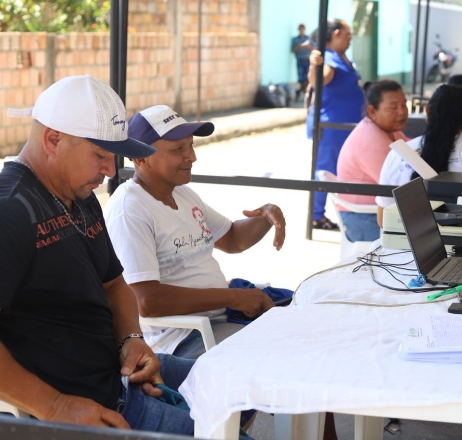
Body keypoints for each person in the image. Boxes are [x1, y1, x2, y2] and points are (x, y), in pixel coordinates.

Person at [0, 74, 204, 435]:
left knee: (243, 390)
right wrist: (54, 406)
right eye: (100, 155)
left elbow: (114, 284)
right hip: (96, 405)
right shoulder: (10, 211)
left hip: (121, 372)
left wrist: (131, 339)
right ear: (52, 140)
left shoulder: (78, 193)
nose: (110, 170)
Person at [102, 105, 286, 361]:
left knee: (301, 329)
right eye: (178, 149)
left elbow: (232, 239)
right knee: (280, 351)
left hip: (221, 318)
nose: (192, 157)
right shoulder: (130, 210)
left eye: (190, 146)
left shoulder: (181, 193)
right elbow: (145, 302)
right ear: (140, 158)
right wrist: (233, 297)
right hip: (183, 338)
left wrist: (265, 216)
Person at [375, 84, 462, 224]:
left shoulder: (397, 154)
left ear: (427, 111)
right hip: (460, 234)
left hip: (405, 235)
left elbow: (382, 220)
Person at [306, 19, 365, 231]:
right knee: (325, 170)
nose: (351, 38)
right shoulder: (328, 58)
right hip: (331, 127)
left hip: (345, 127)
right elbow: (318, 81)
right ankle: (316, 216)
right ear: (337, 33)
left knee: (341, 169)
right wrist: (314, 65)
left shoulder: (342, 57)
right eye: (348, 34)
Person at [336, 80, 409, 242]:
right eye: (393, 107)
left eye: (404, 105)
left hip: (377, 212)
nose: (402, 112)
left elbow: (411, 151)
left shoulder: (389, 130)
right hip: (362, 216)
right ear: (372, 111)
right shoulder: (371, 141)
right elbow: (398, 185)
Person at [291, 24, 315, 101]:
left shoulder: (309, 39)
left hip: (308, 61)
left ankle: (299, 93)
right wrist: (299, 46)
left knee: (307, 80)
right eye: (300, 29)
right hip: (300, 60)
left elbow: (314, 48)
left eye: (303, 29)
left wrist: (307, 46)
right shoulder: (295, 39)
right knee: (301, 80)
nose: (302, 30)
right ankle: (306, 95)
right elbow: (292, 50)